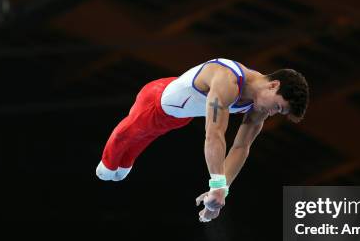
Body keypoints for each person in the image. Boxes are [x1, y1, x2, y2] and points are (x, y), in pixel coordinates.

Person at [96, 58, 309, 222]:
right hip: (154, 102)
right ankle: (107, 164)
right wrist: (216, 184)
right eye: (278, 106)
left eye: (278, 112)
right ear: (273, 86)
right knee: (125, 142)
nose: (272, 113)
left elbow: (241, 146)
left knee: (146, 139)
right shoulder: (227, 79)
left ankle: (123, 163)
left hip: (180, 116)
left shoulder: (259, 106)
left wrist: (219, 192)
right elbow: (214, 133)